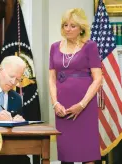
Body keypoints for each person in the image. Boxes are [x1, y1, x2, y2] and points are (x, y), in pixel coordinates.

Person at [49, 8, 102, 164]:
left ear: (81, 28)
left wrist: (82, 104)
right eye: (65, 25)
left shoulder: (90, 46)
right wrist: (55, 103)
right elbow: (51, 78)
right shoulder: (54, 47)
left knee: (87, 152)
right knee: (66, 152)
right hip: (62, 104)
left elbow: (98, 79)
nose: (68, 29)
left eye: (72, 25)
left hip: (85, 104)